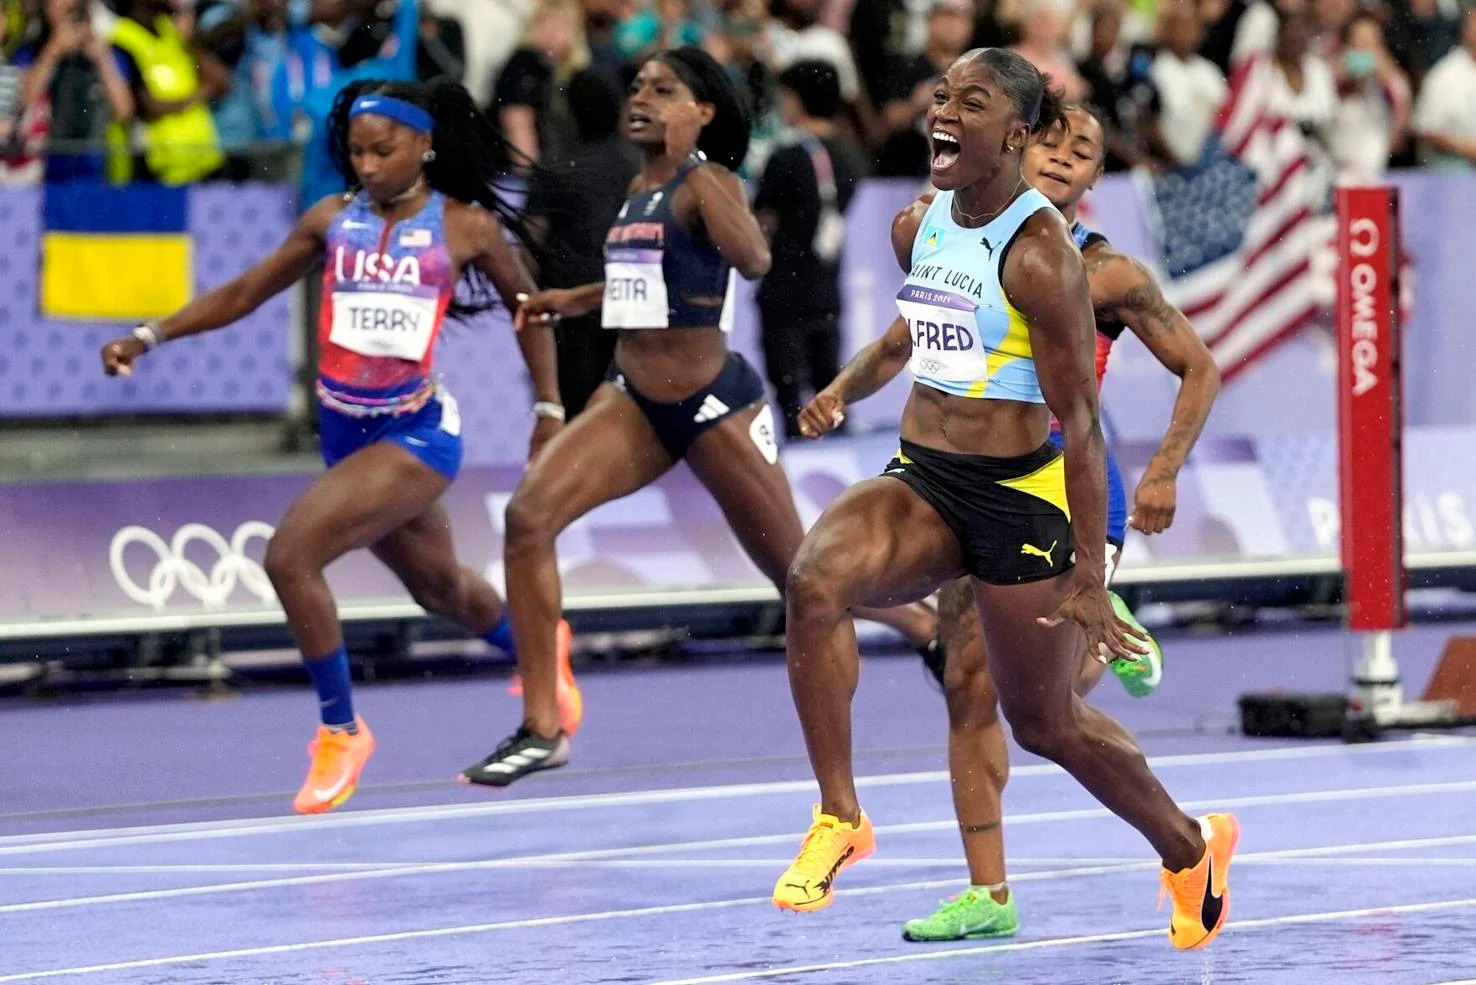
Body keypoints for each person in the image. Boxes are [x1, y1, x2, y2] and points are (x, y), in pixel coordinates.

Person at [769, 49, 1239, 953]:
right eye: (942, 95)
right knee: (815, 577)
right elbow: (911, 334)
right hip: (926, 479)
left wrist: (1094, 578)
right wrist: (841, 390)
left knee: (1046, 722)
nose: (943, 110)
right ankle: (840, 815)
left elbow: (1082, 424)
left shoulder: (1045, 262)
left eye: (969, 102)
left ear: (1015, 138)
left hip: (1021, 499)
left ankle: (1189, 846)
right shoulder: (918, 225)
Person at [459, 46, 938, 788]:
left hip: (715, 402)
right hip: (634, 400)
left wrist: (700, 170)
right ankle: (543, 725)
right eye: (638, 85)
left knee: (799, 574)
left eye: (664, 89)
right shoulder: (638, 184)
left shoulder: (701, 179)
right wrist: (577, 300)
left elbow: (753, 259)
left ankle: (924, 625)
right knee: (529, 516)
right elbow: (643, 284)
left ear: (702, 111)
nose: (641, 96)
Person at [99, 77, 562, 816]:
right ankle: (545, 653)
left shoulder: (466, 227)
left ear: (425, 146)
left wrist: (547, 404)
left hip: (414, 435)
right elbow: (246, 290)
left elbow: (532, 313)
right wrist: (151, 334)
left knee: (289, 555)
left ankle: (342, 730)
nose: (369, 165)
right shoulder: (329, 220)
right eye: (356, 152)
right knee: (438, 587)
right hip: (344, 434)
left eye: (383, 150)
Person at [890, 104, 1222, 941]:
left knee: (1041, 707)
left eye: (1085, 153)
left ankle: (1114, 639)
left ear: (1094, 181)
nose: (1066, 158)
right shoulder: (962, 239)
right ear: (1017, 144)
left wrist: (1165, 470)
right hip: (970, 481)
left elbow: (1199, 368)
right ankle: (988, 895)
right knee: (969, 685)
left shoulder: (1106, 273)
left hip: (1062, 492)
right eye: (1053, 142)